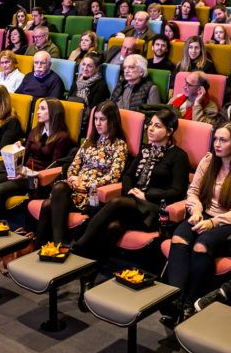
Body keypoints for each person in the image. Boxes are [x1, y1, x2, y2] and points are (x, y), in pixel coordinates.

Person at [164, 122, 231, 322]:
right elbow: (193, 192)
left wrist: (213, 223)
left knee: (201, 246)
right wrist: (196, 209)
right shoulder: (209, 161)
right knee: (179, 239)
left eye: (223, 140)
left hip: (230, 223)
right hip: (204, 214)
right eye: (215, 139)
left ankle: (190, 303)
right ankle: (175, 298)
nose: (217, 144)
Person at [71, 108, 190, 262]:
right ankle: (92, 265)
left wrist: (146, 195)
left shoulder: (179, 156)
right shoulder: (146, 150)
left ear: (169, 131)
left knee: (116, 202)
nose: (151, 129)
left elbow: (177, 191)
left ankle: (79, 247)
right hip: (132, 204)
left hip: (154, 209)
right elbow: (127, 176)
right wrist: (131, 191)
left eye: (157, 126)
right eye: (150, 124)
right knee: (114, 227)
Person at [35, 101, 128, 245]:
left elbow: (113, 176)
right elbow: (74, 165)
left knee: (48, 205)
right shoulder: (89, 141)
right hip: (73, 189)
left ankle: (50, 246)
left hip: (91, 194)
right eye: (95, 119)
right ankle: (56, 246)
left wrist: (86, 184)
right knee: (59, 188)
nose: (97, 123)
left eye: (102, 119)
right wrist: (72, 177)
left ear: (112, 121)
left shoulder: (119, 145)